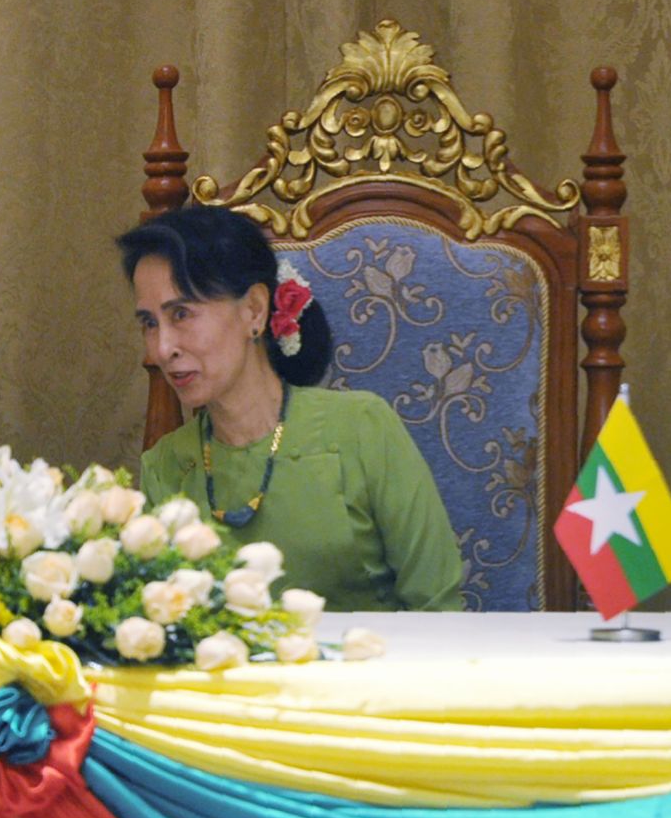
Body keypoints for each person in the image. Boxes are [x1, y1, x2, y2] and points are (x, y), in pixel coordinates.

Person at [118, 206, 463, 611]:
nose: (162, 348)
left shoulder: (362, 429)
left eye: (182, 314)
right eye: (149, 323)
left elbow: (437, 607)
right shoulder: (166, 466)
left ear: (254, 311)